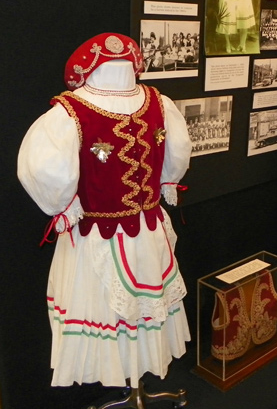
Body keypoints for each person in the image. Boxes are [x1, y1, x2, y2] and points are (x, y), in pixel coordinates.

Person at [17, 33, 192, 389]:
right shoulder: (158, 102)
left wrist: (62, 205)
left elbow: (44, 170)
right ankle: (131, 382)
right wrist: (167, 181)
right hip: (132, 232)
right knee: (124, 311)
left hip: (104, 234)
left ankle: (131, 383)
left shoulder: (69, 111)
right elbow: (178, 154)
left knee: (120, 311)